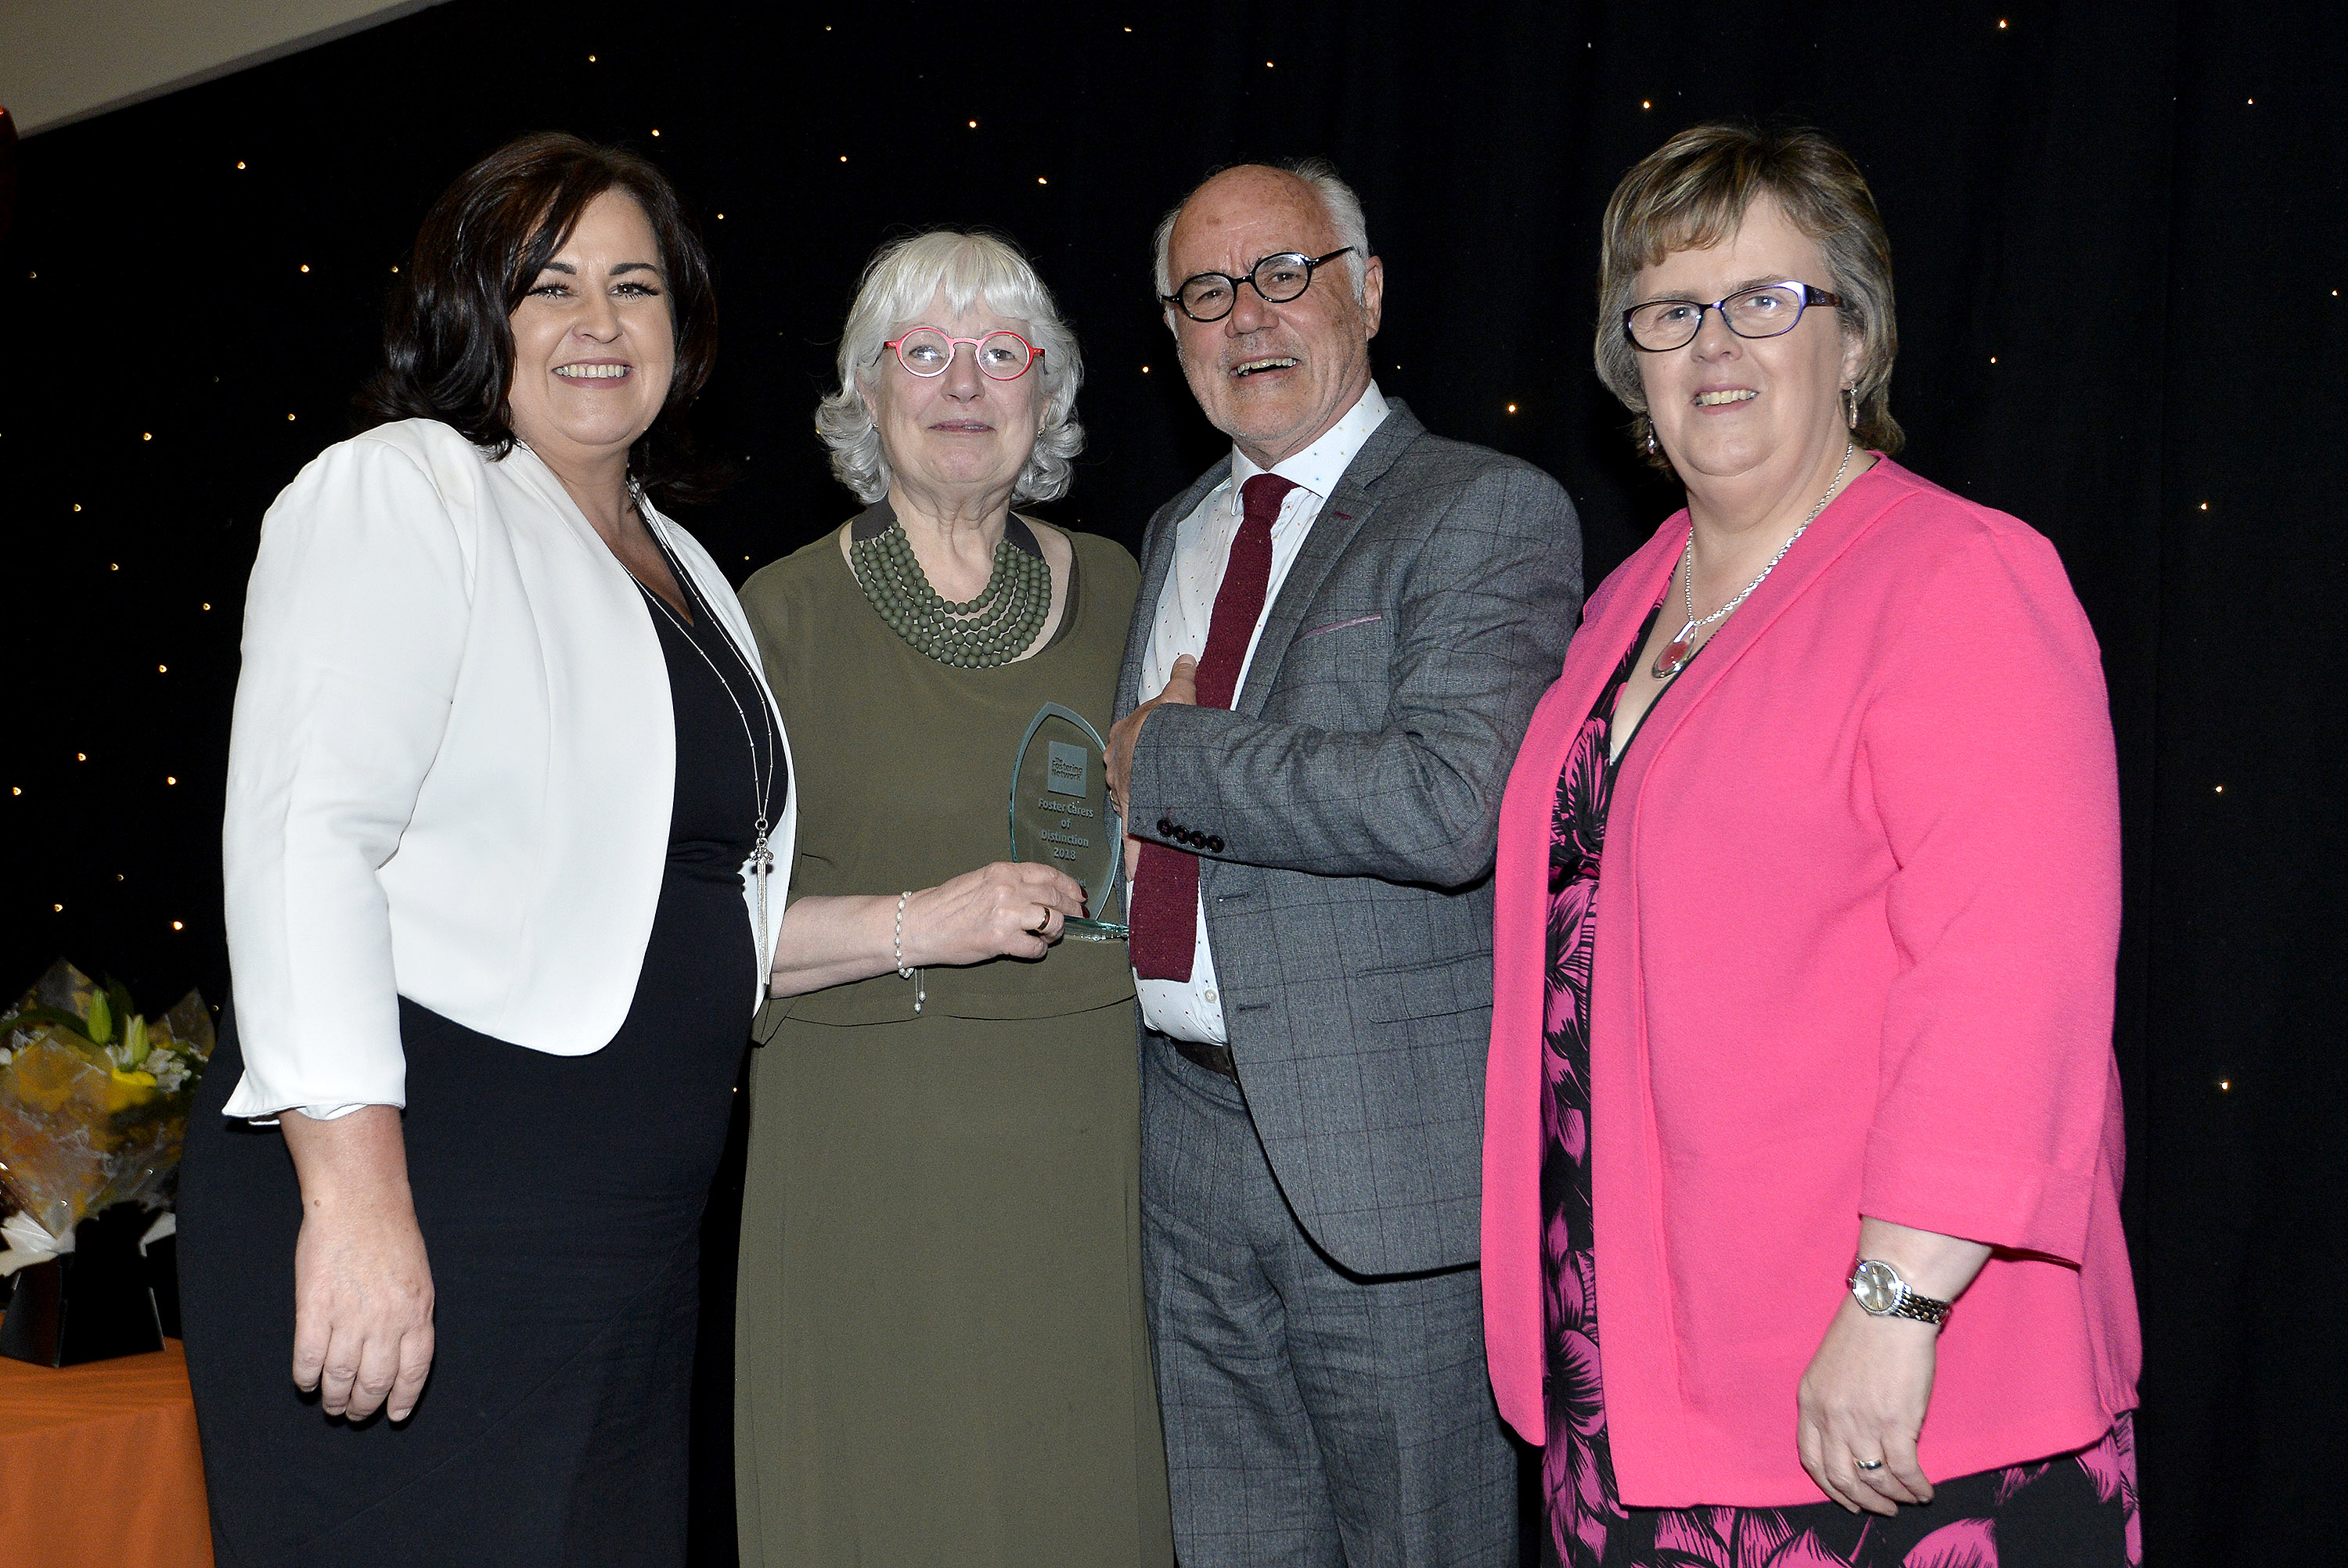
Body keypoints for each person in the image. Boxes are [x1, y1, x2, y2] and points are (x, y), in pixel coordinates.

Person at [1479, 123, 2143, 1567]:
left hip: (1882, 1397)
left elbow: (2009, 977)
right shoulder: (1627, 604)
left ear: (1855, 341)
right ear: (1630, 363)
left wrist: (1896, 1304)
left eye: (1767, 300)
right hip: (1640, 1381)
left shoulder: (1960, 578)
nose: (1715, 345)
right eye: (1670, 311)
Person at [177, 135, 788, 1566]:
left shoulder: (681, 559)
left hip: (622, 1239)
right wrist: (359, 1210)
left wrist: (924, 922)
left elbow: (669, 897)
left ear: (680, 325)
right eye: (548, 285)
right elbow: (303, 836)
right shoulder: (406, 488)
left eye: (634, 285)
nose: (597, 322)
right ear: (470, 311)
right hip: (439, 1195)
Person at [1104, 160, 1582, 1566]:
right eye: (1205, 291)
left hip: (1383, 1165)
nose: (1246, 317)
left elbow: (1450, 807)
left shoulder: (1481, 508)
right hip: (1181, 1143)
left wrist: (1174, 754)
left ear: (1366, 291)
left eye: (1282, 274)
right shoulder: (1179, 528)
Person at [731, 229, 1174, 1567]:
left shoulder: (1127, 590)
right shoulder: (779, 613)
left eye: (1001, 353)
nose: (962, 383)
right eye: (922, 353)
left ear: (1049, 391)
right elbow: (703, 936)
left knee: (1080, 1496)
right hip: (872, 1161)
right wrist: (932, 919)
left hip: (1087, 1154)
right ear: (867, 391)